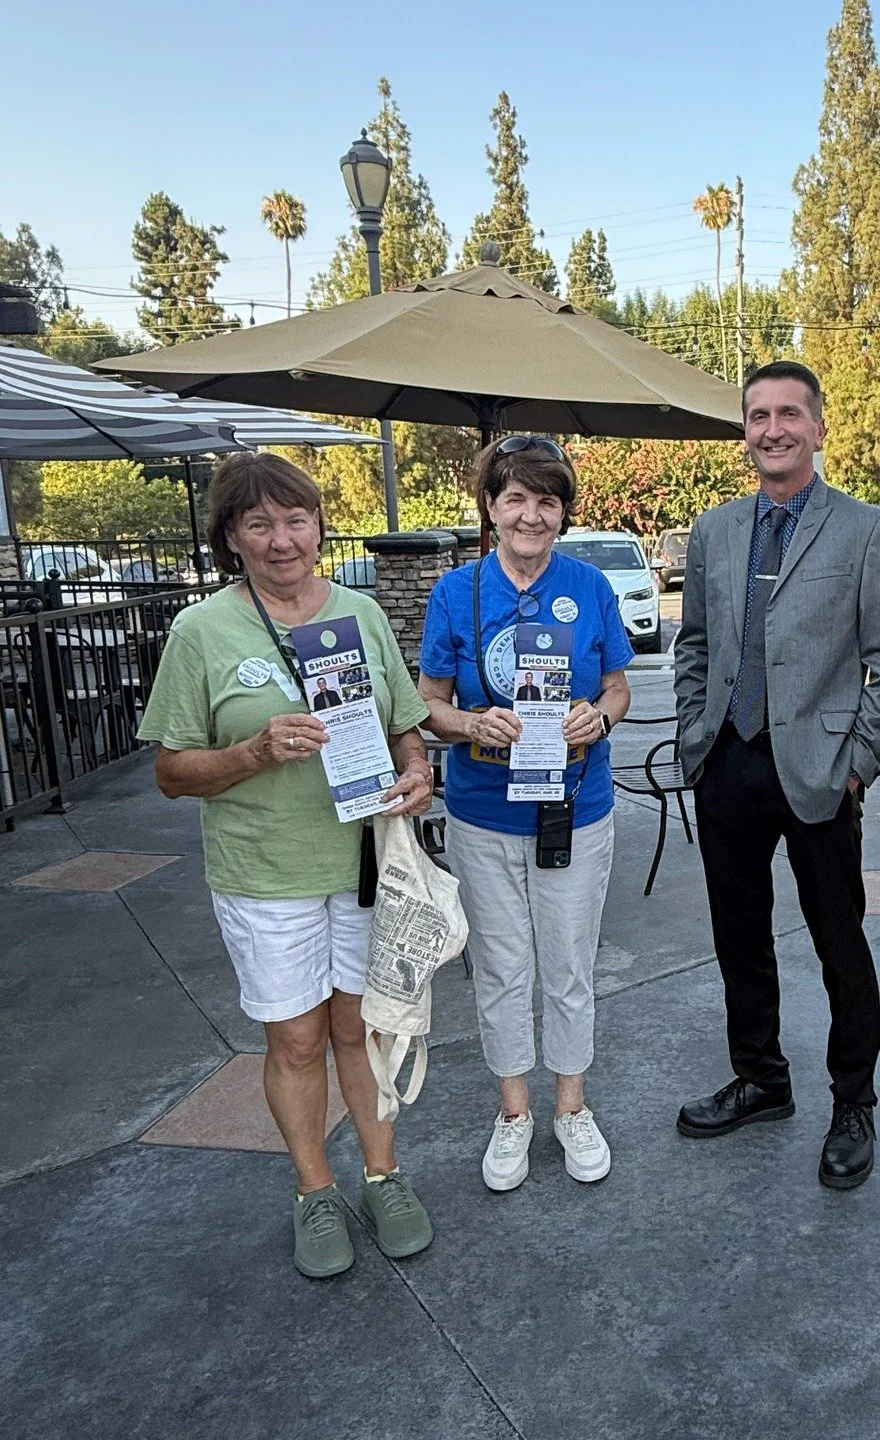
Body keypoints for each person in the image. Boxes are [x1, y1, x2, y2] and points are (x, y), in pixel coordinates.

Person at [137, 453, 436, 1280]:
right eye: (258, 524)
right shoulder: (201, 632)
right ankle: (314, 1189)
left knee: (364, 1026)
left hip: (364, 861)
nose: (281, 540)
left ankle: (384, 1174)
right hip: (264, 871)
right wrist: (253, 750)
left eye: (295, 519)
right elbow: (170, 770)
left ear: (317, 525)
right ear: (230, 536)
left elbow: (405, 723)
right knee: (298, 1039)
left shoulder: (362, 614)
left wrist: (417, 772)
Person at [673, 360, 880, 1189]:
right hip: (727, 762)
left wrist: (860, 765)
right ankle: (763, 1080)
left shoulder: (863, 529)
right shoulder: (714, 531)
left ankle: (854, 1101)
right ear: (745, 430)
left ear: (817, 426)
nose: (771, 428)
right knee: (738, 937)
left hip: (818, 770)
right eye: (756, 415)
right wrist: (692, 731)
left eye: (787, 413)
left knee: (838, 942)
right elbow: (695, 642)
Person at [418, 435, 633, 1193]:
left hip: (575, 805)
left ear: (564, 512)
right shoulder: (458, 592)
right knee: (503, 970)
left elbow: (618, 687)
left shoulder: (590, 587)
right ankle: (514, 1113)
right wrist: (471, 724)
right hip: (482, 810)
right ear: (490, 505)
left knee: (570, 966)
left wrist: (598, 720)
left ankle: (571, 1105)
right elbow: (429, 702)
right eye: (516, 498)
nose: (531, 515)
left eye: (548, 500)